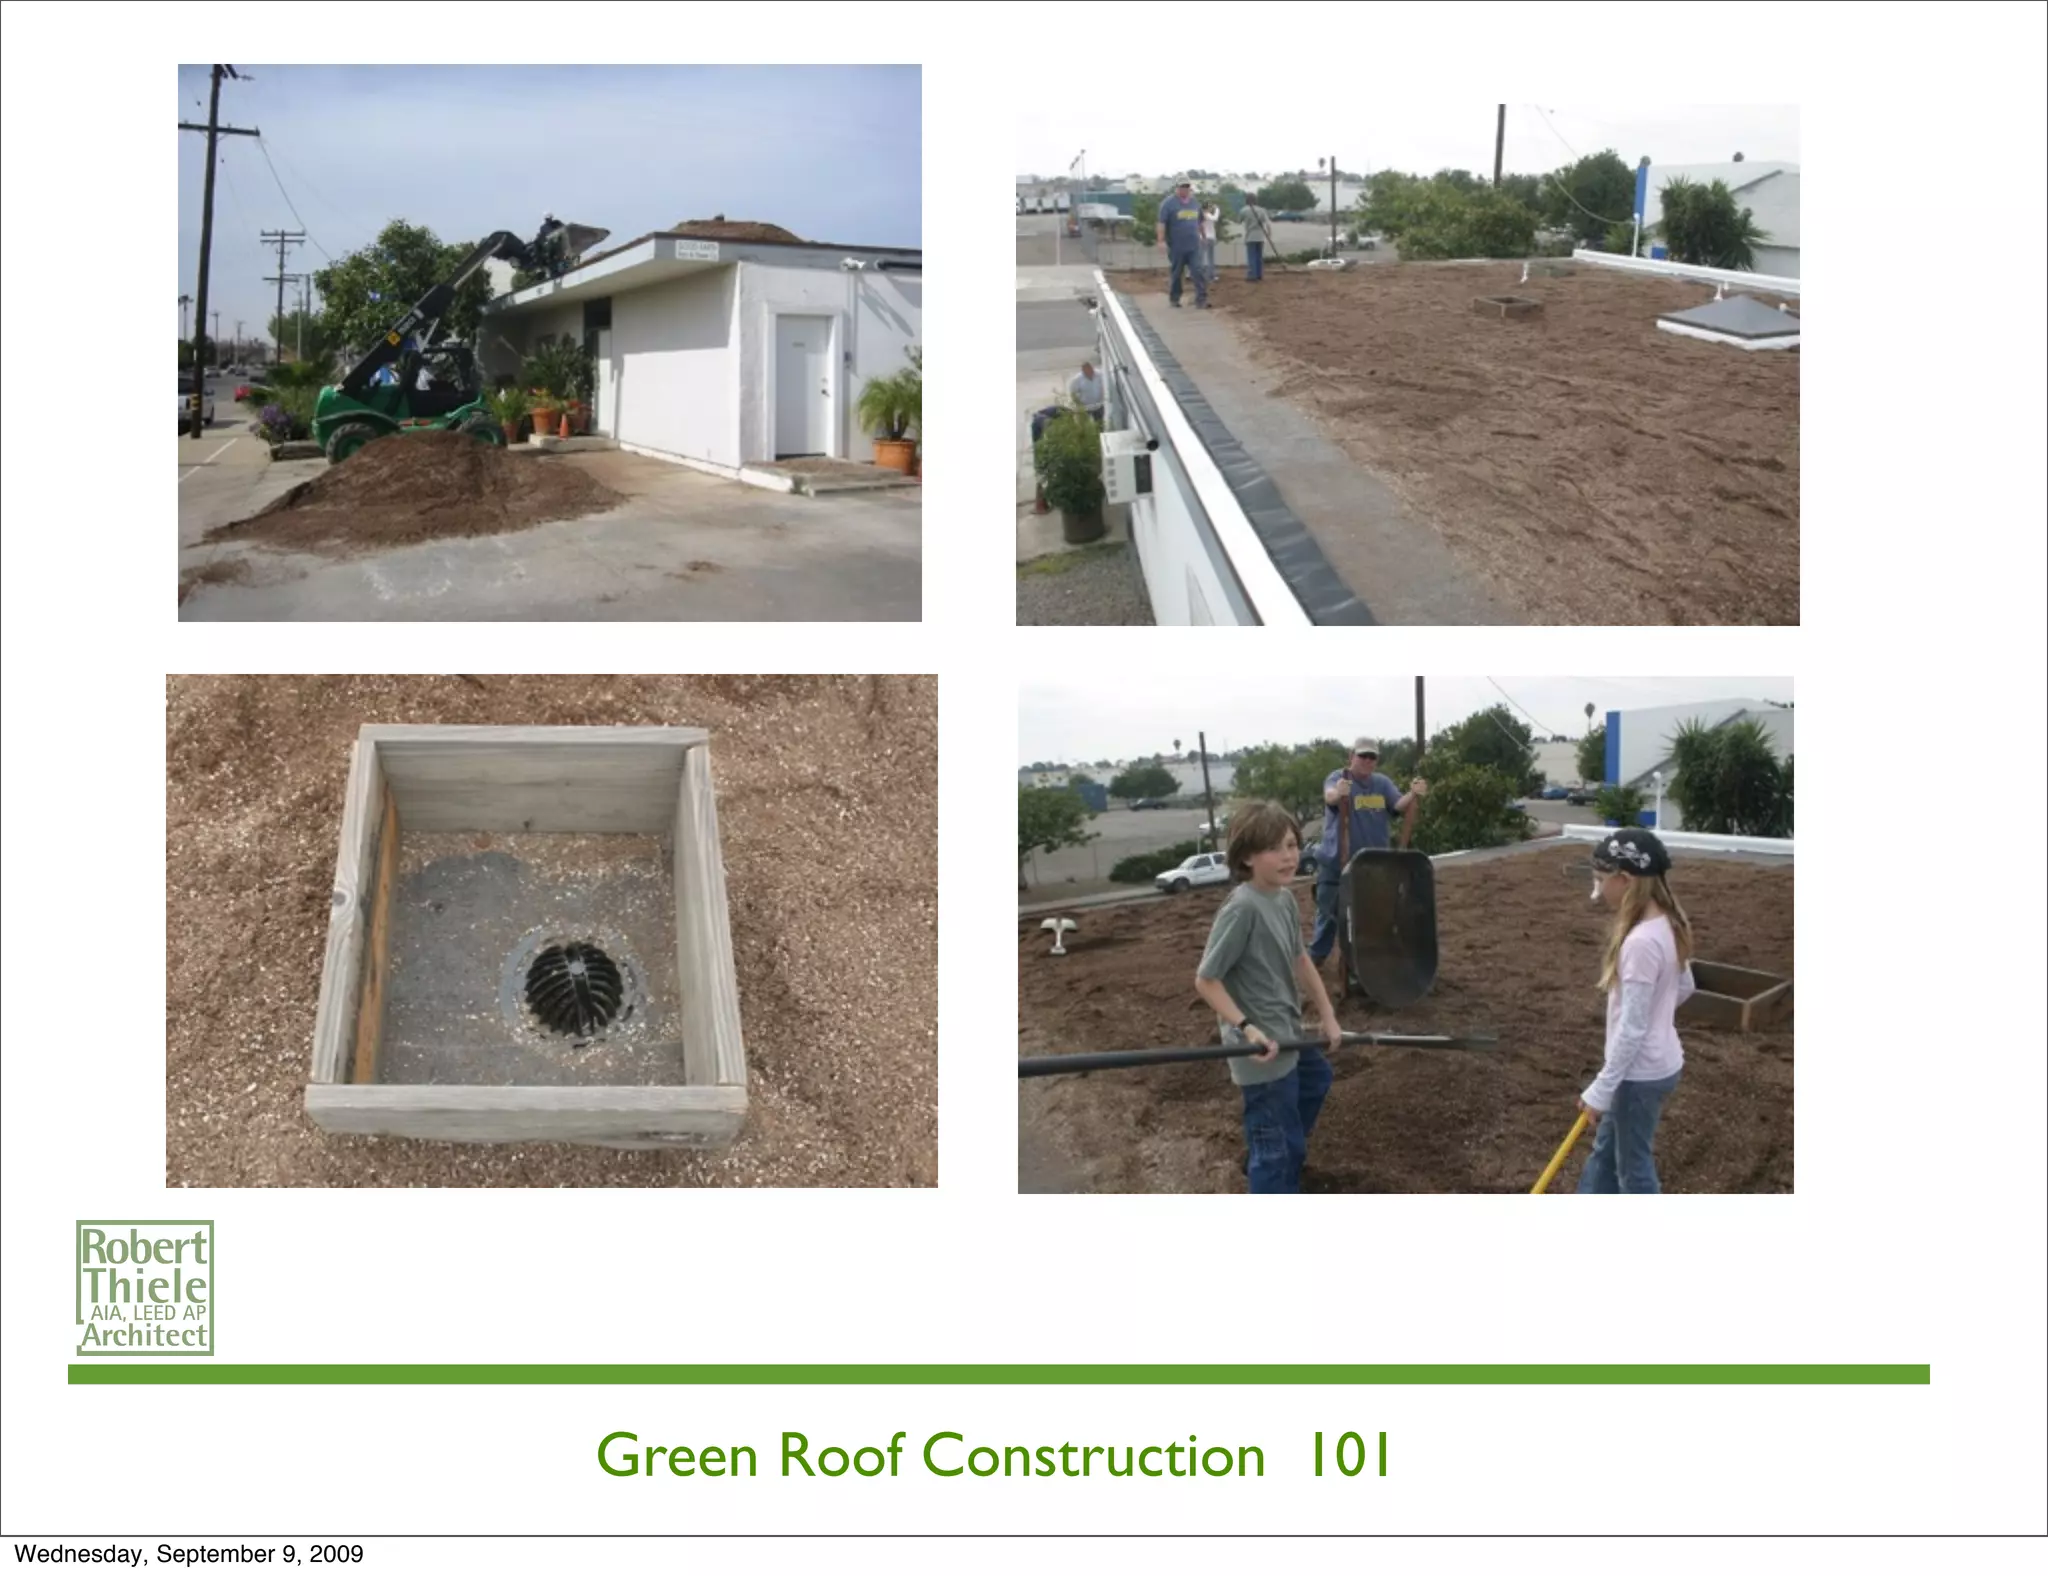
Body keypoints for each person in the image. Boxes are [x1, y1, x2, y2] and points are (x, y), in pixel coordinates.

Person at [1193, 802, 1344, 1194]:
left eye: (1292, 845)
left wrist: (1327, 1014)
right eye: (1274, 848)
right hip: (1261, 1051)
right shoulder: (1242, 909)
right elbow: (1206, 981)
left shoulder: (1284, 898)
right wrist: (1246, 1028)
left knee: (1316, 1079)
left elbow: (1301, 959)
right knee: (1279, 1150)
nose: (1289, 856)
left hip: (1287, 1032)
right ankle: (1271, 1167)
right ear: (1246, 857)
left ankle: (1269, 1148)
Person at [1576, 828, 1696, 1194]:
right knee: (1605, 1155)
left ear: (1625, 880)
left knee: (1633, 1170)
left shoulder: (1640, 943)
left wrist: (1602, 1088)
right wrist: (1657, 1020)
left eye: (1601, 880)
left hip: (1638, 1076)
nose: (1598, 891)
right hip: (1655, 1065)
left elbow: (1632, 1028)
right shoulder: (1667, 924)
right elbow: (1686, 986)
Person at [1308, 740, 1426, 971]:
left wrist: (1413, 793)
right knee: (1329, 912)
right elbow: (1330, 796)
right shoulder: (1338, 777)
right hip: (1336, 861)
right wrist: (1339, 793)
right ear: (1351, 756)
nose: (1367, 761)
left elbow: (1399, 805)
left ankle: (1361, 959)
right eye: (1363, 756)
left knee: (1369, 912)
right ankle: (1317, 956)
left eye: (1372, 757)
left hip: (1371, 863)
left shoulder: (1381, 783)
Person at [1156, 179, 1209, 309]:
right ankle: (1175, 298)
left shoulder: (1195, 203)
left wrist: (1204, 236)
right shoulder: (1168, 204)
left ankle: (1201, 299)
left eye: (1187, 187)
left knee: (1197, 270)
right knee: (1177, 273)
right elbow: (1161, 223)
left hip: (1194, 245)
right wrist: (1161, 240)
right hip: (1177, 246)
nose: (1185, 189)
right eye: (1182, 187)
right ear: (1177, 188)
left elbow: (1200, 222)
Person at [1239, 197, 1276, 281]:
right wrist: (1269, 234)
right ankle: (1259, 275)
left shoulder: (1244, 210)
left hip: (1250, 236)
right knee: (1259, 256)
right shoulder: (1262, 210)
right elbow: (1267, 223)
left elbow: (1239, 221)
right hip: (1260, 236)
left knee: (1251, 256)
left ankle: (1252, 275)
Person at [1199, 203, 1220, 283]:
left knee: (1201, 257)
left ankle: (1201, 276)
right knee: (1210, 258)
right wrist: (1217, 209)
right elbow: (1215, 218)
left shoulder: (1200, 216)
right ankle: (1210, 276)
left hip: (1202, 238)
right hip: (1210, 238)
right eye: (1210, 207)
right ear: (1207, 208)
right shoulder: (1207, 215)